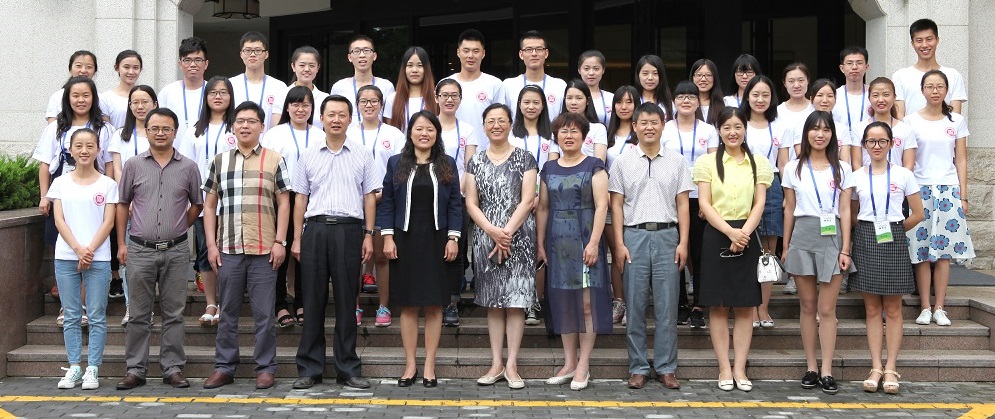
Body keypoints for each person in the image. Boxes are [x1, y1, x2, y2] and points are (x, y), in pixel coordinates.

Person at [292, 95, 379, 391]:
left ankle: (348, 368)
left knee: (346, 302)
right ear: (321, 118)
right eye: (331, 114)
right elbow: (300, 198)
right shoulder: (308, 154)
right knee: (312, 301)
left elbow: (369, 196)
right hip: (315, 230)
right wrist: (296, 238)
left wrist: (369, 234)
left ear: (350, 119)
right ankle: (310, 368)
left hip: (349, 231)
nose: (336, 119)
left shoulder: (362, 154)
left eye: (342, 114)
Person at [201, 101, 291, 390]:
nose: (245, 126)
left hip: (264, 249)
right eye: (240, 121)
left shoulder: (275, 159)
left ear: (262, 126)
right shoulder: (220, 161)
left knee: (264, 315)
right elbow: (209, 205)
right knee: (227, 312)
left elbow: (284, 202)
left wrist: (280, 241)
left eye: (252, 121)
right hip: (228, 249)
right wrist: (211, 245)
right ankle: (224, 367)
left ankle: (265, 368)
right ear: (233, 126)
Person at [114, 108, 202, 391]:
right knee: (138, 314)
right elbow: (122, 204)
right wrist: (122, 243)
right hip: (140, 250)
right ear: (147, 131)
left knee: (174, 313)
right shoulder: (133, 165)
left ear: (175, 132)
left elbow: (197, 204)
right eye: (155, 128)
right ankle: (135, 369)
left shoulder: (188, 167)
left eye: (166, 128)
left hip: (176, 250)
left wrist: (179, 227)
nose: (160, 133)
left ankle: (173, 368)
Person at [609, 103, 692, 391]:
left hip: (668, 236)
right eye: (643, 122)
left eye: (654, 122)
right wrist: (619, 243)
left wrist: (683, 242)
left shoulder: (677, 161)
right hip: (634, 236)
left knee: (667, 307)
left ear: (663, 125)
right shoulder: (622, 162)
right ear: (634, 126)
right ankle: (638, 367)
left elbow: (683, 204)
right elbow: (616, 206)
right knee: (635, 305)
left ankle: (667, 367)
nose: (649, 127)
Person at [378, 111, 462, 388]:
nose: (424, 133)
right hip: (405, 239)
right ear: (410, 132)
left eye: (430, 129)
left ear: (437, 134)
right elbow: (387, 202)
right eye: (419, 128)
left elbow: (455, 204)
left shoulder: (447, 163)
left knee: (435, 304)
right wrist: (388, 237)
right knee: (409, 304)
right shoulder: (396, 163)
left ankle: (429, 366)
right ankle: (410, 365)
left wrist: (453, 238)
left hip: (438, 240)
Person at [694, 106, 772, 392]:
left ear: (745, 129)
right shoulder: (706, 162)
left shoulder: (758, 162)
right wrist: (730, 232)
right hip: (717, 233)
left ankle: (740, 368)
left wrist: (744, 234)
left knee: (744, 306)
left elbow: (759, 203)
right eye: (726, 127)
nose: (732, 132)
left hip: (747, 233)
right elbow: (704, 203)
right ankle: (724, 368)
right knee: (718, 306)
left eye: (738, 127)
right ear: (719, 130)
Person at [781, 110, 855, 395]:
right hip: (803, 234)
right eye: (815, 129)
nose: (820, 134)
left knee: (827, 308)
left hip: (833, 237)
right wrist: (786, 245)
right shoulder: (793, 167)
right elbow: (789, 208)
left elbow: (845, 210)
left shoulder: (843, 168)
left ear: (832, 134)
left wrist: (845, 248)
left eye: (825, 130)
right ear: (806, 133)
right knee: (808, 306)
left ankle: (827, 370)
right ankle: (811, 367)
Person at [848, 121, 925, 395]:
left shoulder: (904, 174)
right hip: (866, 237)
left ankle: (891, 367)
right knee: (871, 309)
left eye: (882, 141)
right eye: (871, 141)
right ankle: (875, 367)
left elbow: (918, 213)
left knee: (893, 308)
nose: (877, 146)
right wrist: (868, 230)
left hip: (893, 235)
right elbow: (852, 213)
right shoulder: (856, 176)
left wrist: (896, 229)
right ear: (864, 145)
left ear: (891, 144)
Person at [536, 112, 611, 391]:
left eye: (574, 131)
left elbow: (602, 206)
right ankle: (569, 363)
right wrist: (540, 243)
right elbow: (543, 207)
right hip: (557, 243)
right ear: (556, 136)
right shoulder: (548, 168)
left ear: (584, 136)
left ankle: (584, 365)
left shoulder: (595, 166)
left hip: (585, 240)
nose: (569, 136)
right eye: (563, 131)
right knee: (564, 301)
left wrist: (593, 243)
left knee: (587, 304)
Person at [466, 104, 538, 390]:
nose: (496, 125)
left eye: (501, 120)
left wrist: (506, 232)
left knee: (516, 302)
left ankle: (512, 365)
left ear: (510, 124)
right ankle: (496, 363)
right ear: (484, 126)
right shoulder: (475, 161)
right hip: (486, 236)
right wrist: (492, 231)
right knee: (493, 302)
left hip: (519, 237)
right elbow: (471, 202)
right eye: (490, 121)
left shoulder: (526, 158)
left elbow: (528, 199)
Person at [35, 77, 114, 310]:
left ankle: (85, 303)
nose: (81, 100)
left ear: (94, 98)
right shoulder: (55, 128)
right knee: (65, 243)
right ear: (67, 99)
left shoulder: (104, 129)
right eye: (75, 95)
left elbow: (109, 164)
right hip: (63, 193)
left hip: (96, 193)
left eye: (86, 95)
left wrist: (111, 192)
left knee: (91, 242)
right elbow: (44, 164)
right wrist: (44, 196)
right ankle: (68, 304)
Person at [49, 128, 118, 390]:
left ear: (98, 149)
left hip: (98, 258)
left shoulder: (108, 184)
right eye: (79, 146)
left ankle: (93, 368)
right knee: (71, 315)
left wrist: (89, 250)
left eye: (90, 146)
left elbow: (108, 222)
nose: (84, 151)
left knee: (97, 315)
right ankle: (75, 366)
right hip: (66, 255)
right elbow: (59, 220)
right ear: (70, 150)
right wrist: (78, 249)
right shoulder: (60, 183)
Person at [905, 70, 975, 326]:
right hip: (920, 189)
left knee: (944, 252)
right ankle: (925, 306)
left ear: (946, 90)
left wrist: (963, 196)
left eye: (940, 87)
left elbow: (961, 159)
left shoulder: (956, 120)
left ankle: (940, 307)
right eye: (930, 86)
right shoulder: (911, 120)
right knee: (921, 251)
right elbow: (909, 160)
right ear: (922, 90)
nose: (935, 91)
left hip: (948, 189)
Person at [261, 86, 325, 328]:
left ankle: (301, 302)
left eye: (306, 105)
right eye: (296, 104)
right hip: (280, 200)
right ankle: (279, 304)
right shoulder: (274, 134)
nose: (301, 109)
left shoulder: (320, 135)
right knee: (280, 252)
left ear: (312, 109)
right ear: (287, 107)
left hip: (312, 201)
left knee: (305, 255)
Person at [178, 75, 236, 328]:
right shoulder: (194, 130)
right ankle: (211, 303)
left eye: (223, 92)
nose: (218, 96)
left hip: (233, 202)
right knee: (205, 252)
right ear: (206, 97)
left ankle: (228, 302)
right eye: (213, 92)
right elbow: (185, 167)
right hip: (203, 203)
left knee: (230, 254)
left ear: (231, 97)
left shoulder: (237, 125)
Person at [662, 81, 719, 329]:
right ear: (673, 101)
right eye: (681, 96)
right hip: (670, 198)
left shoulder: (708, 130)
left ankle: (699, 305)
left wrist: (710, 202)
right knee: (674, 253)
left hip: (699, 198)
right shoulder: (665, 129)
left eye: (691, 97)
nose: (686, 101)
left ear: (698, 102)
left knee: (698, 253)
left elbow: (715, 166)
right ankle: (680, 304)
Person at [346, 84, 404, 326]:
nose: (369, 105)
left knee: (381, 256)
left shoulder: (394, 134)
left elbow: (401, 170)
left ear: (381, 105)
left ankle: (384, 306)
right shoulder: (348, 132)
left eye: (374, 101)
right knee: (353, 257)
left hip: (384, 201)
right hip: (352, 202)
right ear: (357, 105)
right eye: (363, 101)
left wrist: (379, 195)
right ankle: (354, 307)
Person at [735, 75, 790, 311]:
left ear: (772, 97)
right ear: (747, 96)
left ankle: (763, 308)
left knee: (768, 250)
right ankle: (745, 307)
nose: (760, 99)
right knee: (743, 245)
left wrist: (787, 195)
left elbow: (784, 164)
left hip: (772, 186)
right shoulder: (738, 122)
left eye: (765, 95)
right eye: (755, 94)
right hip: (740, 184)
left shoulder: (780, 125)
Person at [107, 85, 157, 325]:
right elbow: (117, 169)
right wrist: (128, 197)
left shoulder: (158, 132)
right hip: (127, 203)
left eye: (145, 101)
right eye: (135, 102)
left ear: (154, 104)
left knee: (153, 259)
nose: (140, 106)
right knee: (129, 256)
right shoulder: (120, 134)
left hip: (154, 202)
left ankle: (148, 307)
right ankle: (131, 306)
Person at [434, 79, 478, 327]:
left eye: (454, 95)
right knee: (432, 248)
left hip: (458, 197)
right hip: (428, 197)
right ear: (436, 97)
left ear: (460, 99)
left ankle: (452, 301)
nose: (449, 99)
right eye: (445, 95)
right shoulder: (429, 124)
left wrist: (454, 192)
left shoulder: (468, 129)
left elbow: (469, 166)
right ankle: (432, 298)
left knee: (456, 250)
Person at [604, 85, 639, 325]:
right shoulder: (607, 135)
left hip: (636, 202)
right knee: (617, 251)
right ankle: (619, 301)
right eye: (619, 102)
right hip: (609, 201)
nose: (624, 107)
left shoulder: (642, 132)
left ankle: (635, 304)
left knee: (634, 254)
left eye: (629, 102)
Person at [893, 19, 967, 118]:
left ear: (937, 40)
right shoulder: (900, 76)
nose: (924, 45)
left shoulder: (953, 75)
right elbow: (899, 118)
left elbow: (955, 118)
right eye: (919, 40)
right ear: (912, 44)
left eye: (929, 39)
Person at [445, 29, 503, 150]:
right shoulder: (446, 84)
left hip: (486, 153)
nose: (470, 56)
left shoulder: (495, 84)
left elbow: (501, 120)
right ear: (458, 52)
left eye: (476, 51)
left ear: (483, 53)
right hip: (452, 152)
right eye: (466, 51)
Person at [850, 77, 918, 171]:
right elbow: (856, 165)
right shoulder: (858, 128)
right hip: (867, 179)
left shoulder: (906, 129)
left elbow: (908, 166)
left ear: (894, 97)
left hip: (897, 180)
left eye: (886, 95)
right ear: (869, 98)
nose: (881, 100)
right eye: (875, 95)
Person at [500, 30, 567, 122]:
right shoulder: (508, 85)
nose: (534, 54)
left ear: (546, 53)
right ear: (521, 54)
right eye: (529, 49)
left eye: (539, 49)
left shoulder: (559, 85)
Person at [229, 31, 287, 131]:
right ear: (241, 54)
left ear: (266, 54)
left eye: (258, 50)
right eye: (248, 50)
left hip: (269, 140)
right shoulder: (231, 84)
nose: (252, 54)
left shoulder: (279, 87)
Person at [330, 35, 395, 119]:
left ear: (374, 56)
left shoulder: (386, 86)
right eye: (356, 51)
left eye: (366, 50)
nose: (362, 55)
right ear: (349, 57)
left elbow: (390, 118)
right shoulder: (339, 87)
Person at [548, 80, 609, 163]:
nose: (573, 102)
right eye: (569, 98)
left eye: (579, 98)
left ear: (587, 101)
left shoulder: (598, 128)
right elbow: (552, 163)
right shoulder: (557, 127)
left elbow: (599, 163)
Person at [158, 37, 209, 131]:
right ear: (180, 64)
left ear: (206, 64)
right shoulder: (168, 92)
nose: (193, 65)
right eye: (187, 60)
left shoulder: (212, 91)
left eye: (198, 60)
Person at [797, 79, 852, 165]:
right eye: (820, 95)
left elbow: (845, 162)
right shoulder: (801, 126)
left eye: (830, 96)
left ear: (835, 99)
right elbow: (801, 158)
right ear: (811, 99)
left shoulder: (842, 129)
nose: (825, 100)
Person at [385, 47, 437, 133]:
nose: (414, 70)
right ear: (404, 69)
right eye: (410, 65)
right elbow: (390, 133)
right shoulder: (392, 99)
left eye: (420, 65)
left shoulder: (436, 98)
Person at [272, 46, 329, 124]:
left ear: (318, 68)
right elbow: (277, 127)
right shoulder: (282, 95)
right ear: (293, 66)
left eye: (312, 65)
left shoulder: (325, 98)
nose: (307, 69)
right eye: (302, 65)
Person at [508, 85, 553, 171]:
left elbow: (552, 166)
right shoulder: (509, 133)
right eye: (526, 102)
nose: (531, 107)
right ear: (519, 104)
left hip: (544, 179)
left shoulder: (551, 134)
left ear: (543, 105)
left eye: (536, 103)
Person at [46, 50, 98, 123]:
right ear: (70, 69)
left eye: (89, 67)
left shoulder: (100, 98)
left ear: (95, 71)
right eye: (78, 66)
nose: (83, 70)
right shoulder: (57, 97)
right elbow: (52, 125)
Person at [832, 46, 870, 140]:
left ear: (866, 67)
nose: (854, 67)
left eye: (859, 63)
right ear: (842, 68)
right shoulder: (833, 96)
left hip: (868, 145)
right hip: (840, 145)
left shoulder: (874, 95)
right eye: (849, 63)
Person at [102, 50, 143, 129]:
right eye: (126, 67)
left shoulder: (147, 96)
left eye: (135, 68)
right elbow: (106, 130)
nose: (131, 72)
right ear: (117, 68)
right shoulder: (106, 98)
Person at [578, 50, 614, 125]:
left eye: (596, 69)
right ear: (579, 70)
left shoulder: (611, 98)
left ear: (603, 70)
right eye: (586, 69)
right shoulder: (571, 97)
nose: (591, 73)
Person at [634, 55, 674, 119]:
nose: (650, 78)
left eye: (655, 73)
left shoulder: (670, 104)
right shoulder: (632, 101)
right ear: (638, 75)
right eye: (645, 73)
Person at [690, 59, 725, 125]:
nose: (703, 79)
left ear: (715, 78)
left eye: (708, 75)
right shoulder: (683, 104)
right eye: (699, 75)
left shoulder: (726, 103)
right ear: (692, 77)